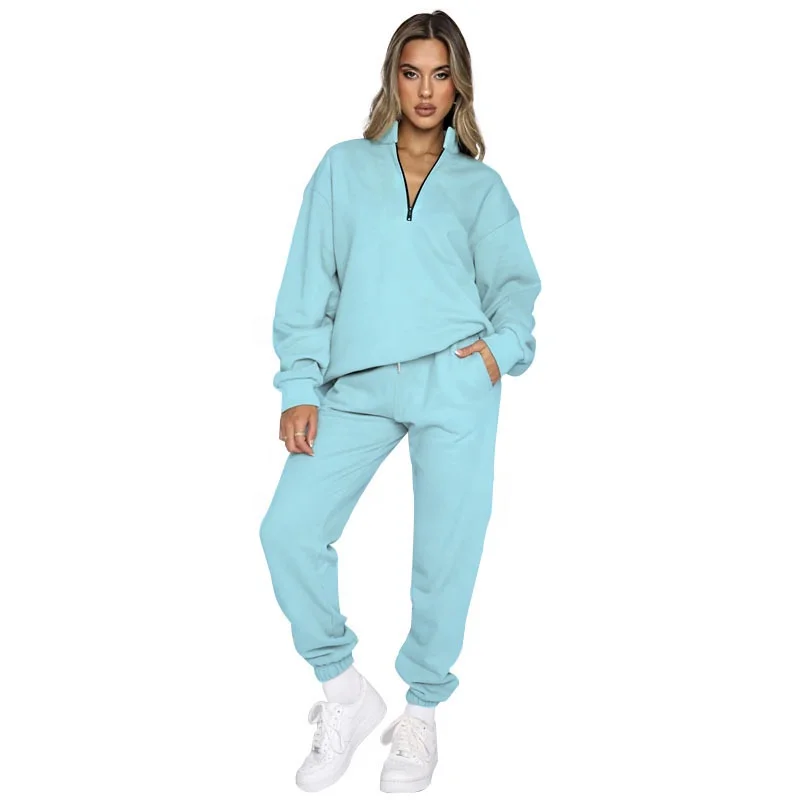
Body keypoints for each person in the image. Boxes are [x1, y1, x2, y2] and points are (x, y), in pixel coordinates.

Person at [259, 9, 542, 793]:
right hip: (355, 385)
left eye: (440, 74)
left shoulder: (480, 187)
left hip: (456, 378)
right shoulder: (343, 169)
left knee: (446, 552)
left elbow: (516, 289)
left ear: (459, 86)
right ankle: (346, 692)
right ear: (392, 79)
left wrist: (498, 353)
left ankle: (421, 711)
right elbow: (308, 285)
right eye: (411, 72)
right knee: (288, 530)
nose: (425, 90)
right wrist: (299, 385)